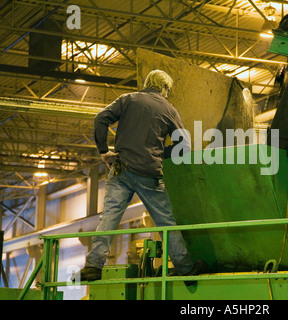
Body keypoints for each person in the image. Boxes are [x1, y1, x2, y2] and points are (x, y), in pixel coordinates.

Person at [72, 70, 205, 286]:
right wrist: (162, 153)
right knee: (166, 222)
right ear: (164, 88)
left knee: (109, 218)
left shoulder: (128, 99)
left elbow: (100, 119)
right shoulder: (168, 109)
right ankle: (185, 268)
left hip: (121, 170)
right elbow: (185, 146)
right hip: (149, 174)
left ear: (147, 84)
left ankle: (93, 266)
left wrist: (104, 151)